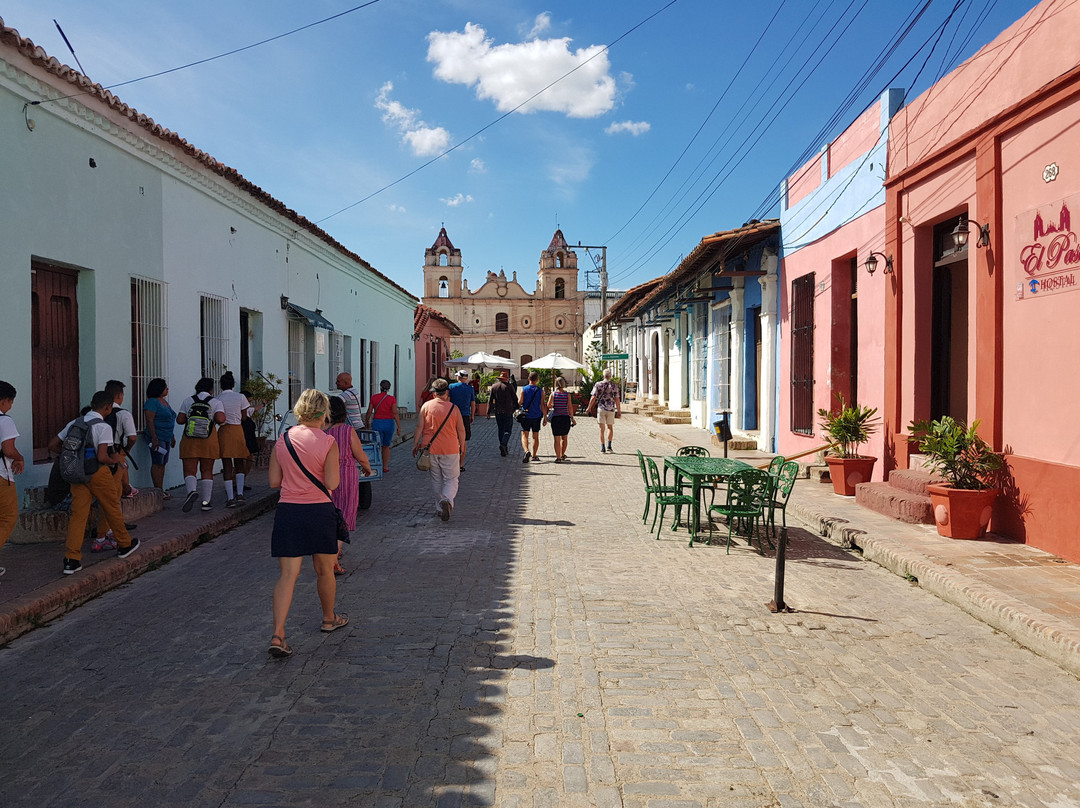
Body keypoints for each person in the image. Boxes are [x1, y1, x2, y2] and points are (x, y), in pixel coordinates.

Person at [268, 388, 348, 658]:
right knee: (325, 570)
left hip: (289, 511)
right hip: (319, 511)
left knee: (287, 575)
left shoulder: (283, 439)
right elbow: (332, 483)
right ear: (324, 412)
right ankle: (329, 618)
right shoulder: (328, 442)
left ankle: (278, 634)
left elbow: (273, 482)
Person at [60, 390, 139, 575]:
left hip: (78, 475)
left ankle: (72, 559)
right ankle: (124, 544)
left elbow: (54, 444)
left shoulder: (74, 423)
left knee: (78, 516)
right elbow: (102, 456)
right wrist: (116, 461)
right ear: (107, 407)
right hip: (97, 473)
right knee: (111, 506)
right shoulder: (103, 427)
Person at [326, 397, 372, 575]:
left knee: (331, 513)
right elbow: (359, 454)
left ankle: (334, 550)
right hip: (345, 475)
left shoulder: (323, 432)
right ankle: (335, 555)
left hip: (326, 476)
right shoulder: (347, 430)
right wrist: (367, 469)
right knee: (344, 513)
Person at [412, 378, 465, 522]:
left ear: (434, 393)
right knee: (452, 478)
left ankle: (439, 507)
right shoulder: (454, 408)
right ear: (446, 392)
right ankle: (447, 500)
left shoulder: (426, 406)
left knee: (436, 478)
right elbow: (461, 430)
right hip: (451, 448)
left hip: (430, 448)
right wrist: (463, 447)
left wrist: (415, 444)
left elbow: (419, 427)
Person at [176, 377, 226, 513]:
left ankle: (191, 491)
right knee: (207, 470)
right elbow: (221, 419)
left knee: (189, 470)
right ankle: (206, 502)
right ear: (211, 389)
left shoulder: (188, 400)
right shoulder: (216, 402)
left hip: (189, 439)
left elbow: (180, 420)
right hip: (208, 440)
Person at [216, 371, 253, 508]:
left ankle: (230, 498)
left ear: (221, 385)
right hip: (238, 430)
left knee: (226, 464)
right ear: (233, 384)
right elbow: (244, 417)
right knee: (239, 463)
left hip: (224, 431)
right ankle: (240, 494)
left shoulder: (218, 398)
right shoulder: (240, 397)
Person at [0, 381, 25, 577]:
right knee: (8, 517)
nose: (11, 406)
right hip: (1, 476)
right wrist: (19, 457)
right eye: (11, 401)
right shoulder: (4, 421)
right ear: (3, 401)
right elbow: (8, 449)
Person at [142, 378, 177, 499]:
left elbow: (170, 419)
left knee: (163, 463)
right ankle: (158, 490)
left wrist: (172, 436)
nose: (167, 389)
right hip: (158, 436)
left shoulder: (165, 402)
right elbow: (150, 420)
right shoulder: (152, 402)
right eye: (165, 387)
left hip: (166, 436)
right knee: (157, 462)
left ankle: (161, 489)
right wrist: (154, 437)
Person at [104, 380, 139, 500]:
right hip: (117, 450)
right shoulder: (124, 414)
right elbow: (132, 437)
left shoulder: (98, 412)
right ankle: (126, 489)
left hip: (99, 451)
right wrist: (127, 449)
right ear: (120, 395)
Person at [364, 379, 401, 473]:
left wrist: (366, 421)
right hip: (389, 423)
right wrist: (399, 426)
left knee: (377, 445)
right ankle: (385, 466)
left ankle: (377, 464)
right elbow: (395, 413)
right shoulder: (392, 399)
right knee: (386, 446)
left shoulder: (374, 397)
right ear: (389, 388)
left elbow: (369, 411)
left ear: (380, 387)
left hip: (377, 422)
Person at [447, 369, 476, 472]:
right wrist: (472, 415)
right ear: (466, 378)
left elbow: (447, 400)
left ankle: (451, 463)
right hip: (465, 415)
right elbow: (473, 404)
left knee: (451, 438)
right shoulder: (470, 389)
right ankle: (460, 464)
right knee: (463, 440)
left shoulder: (451, 387)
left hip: (452, 415)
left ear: (458, 377)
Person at [589, 368, 622, 454]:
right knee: (610, 427)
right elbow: (617, 399)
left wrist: (589, 407)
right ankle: (609, 446)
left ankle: (602, 447)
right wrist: (619, 411)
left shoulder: (598, 384)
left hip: (601, 408)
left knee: (601, 429)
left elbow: (593, 397)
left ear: (603, 376)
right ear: (610, 376)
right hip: (611, 409)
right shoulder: (614, 386)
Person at [544, 376, 577, 463]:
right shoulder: (567, 395)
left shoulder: (553, 394)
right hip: (565, 418)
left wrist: (553, 405)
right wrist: (572, 418)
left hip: (556, 418)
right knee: (564, 438)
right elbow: (570, 407)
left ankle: (558, 457)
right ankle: (562, 454)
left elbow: (548, 405)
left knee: (556, 439)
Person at [487, 369, 518, 457]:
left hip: (498, 411)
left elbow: (490, 400)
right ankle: (504, 444)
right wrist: (517, 407)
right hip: (508, 411)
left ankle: (503, 446)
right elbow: (515, 399)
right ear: (506, 378)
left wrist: (488, 411)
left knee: (501, 429)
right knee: (508, 430)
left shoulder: (494, 386)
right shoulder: (509, 386)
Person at [518, 371, 545, 463]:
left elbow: (520, 402)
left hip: (526, 415)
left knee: (525, 434)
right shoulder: (540, 391)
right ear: (537, 380)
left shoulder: (524, 389)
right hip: (537, 416)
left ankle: (526, 450)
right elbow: (542, 405)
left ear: (529, 379)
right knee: (535, 436)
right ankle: (534, 455)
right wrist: (545, 417)